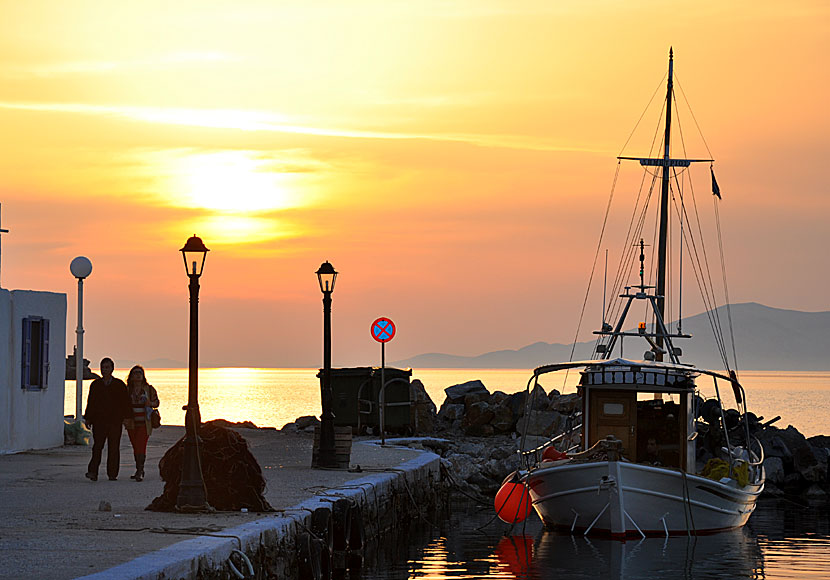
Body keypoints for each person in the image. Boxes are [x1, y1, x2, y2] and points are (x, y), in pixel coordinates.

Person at [83, 358, 131, 481]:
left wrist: (127, 418)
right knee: (97, 447)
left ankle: (112, 474)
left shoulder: (119, 385)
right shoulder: (96, 385)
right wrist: (88, 418)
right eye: (103, 367)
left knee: (114, 448)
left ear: (112, 369)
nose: (105, 370)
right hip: (99, 421)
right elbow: (91, 402)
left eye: (107, 367)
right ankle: (93, 472)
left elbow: (125, 403)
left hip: (115, 421)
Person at [124, 365, 159, 482]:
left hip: (145, 423)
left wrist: (149, 402)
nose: (138, 375)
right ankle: (139, 469)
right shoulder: (128, 390)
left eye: (140, 373)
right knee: (135, 446)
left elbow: (157, 403)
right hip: (131, 423)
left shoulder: (149, 389)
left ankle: (140, 470)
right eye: (135, 373)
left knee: (141, 445)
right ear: (131, 376)